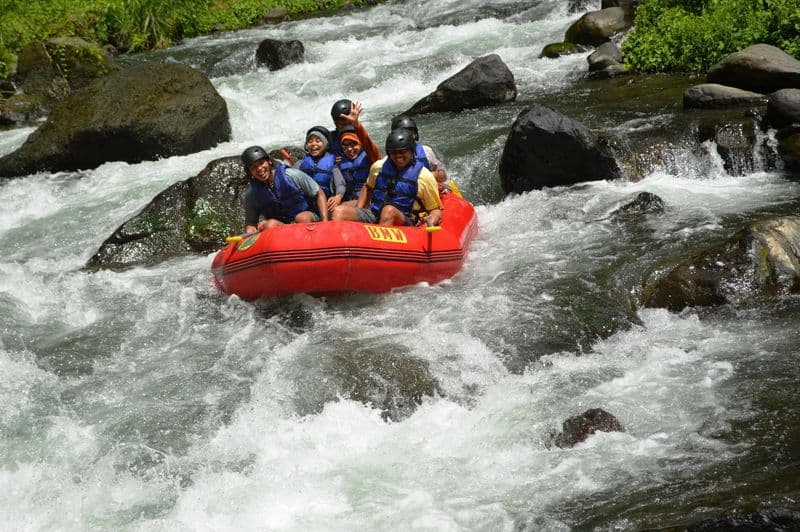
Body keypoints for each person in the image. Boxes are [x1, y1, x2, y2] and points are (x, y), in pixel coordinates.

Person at [331, 129, 442, 227]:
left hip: (406, 220)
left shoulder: (424, 177)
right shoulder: (378, 167)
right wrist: (359, 210)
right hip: (374, 214)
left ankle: (377, 248)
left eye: (402, 151)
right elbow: (368, 187)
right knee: (338, 211)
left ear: (412, 151)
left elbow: (435, 210)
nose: (398, 156)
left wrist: (432, 219)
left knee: (388, 211)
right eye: (393, 152)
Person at [241, 145, 328, 233]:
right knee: (269, 225)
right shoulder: (252, 194)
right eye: (253, 167)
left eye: (261, 163)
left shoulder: (291, 175)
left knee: (302, 218)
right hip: (282, 227)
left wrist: (325, 222)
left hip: (308, 218)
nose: (259, 169)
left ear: (269, 162)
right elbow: (251, 224)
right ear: (250, 172)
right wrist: (250, 233)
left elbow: (319, 193)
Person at [296, 125, 346, 213]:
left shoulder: (333, 162)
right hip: (307, 206)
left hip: (327, 204)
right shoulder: (301, 163)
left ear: (326, 144)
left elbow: (340, 184)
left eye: (318, 141)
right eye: (310, 141)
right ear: (306, 145)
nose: (313, 144)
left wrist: (338, 196)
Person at [390, 115, 448, 184]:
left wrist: (428, 176)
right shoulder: (390, 157)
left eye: (411, 133)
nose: (408, 138)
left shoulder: (426, 151)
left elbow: (442, 176)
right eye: (404, 134)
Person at [336, 124, 381, 203]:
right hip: (349, 199)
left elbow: (370, 145)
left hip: (368, 199)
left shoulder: (370, 157)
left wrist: (357, 124)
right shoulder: (339, 161)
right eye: (345, 146)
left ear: (360, 143)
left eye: (353, 144)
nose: (349, 149)